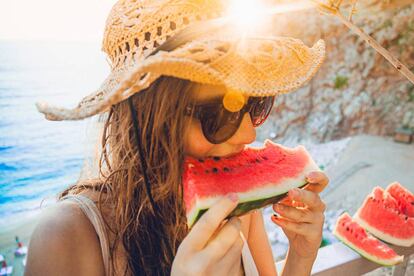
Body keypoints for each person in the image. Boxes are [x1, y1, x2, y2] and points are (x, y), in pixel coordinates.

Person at [25, 0, 328, 275]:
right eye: (221, 114)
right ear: (150, 119)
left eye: (254, 103)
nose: (249, 133)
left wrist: (300, 258)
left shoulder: (237, 211)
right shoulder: (67, 238)